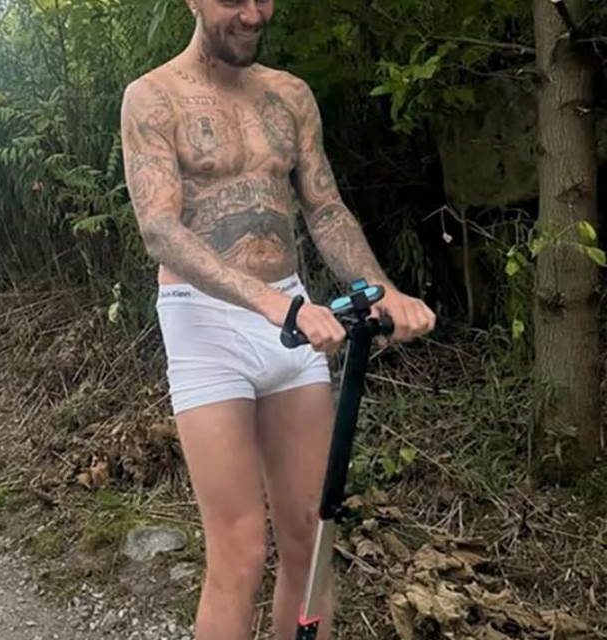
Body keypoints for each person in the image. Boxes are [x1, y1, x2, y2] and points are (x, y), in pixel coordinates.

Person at [119, 1, 436, 638]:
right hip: (206, 325)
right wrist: (268, 304)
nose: (252, 13)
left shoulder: (290, 95)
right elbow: (159, 229)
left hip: (295, 316)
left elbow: (324, 207)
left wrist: (378, 291)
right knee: (239, 554)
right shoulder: (152, 97)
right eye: (233, 0)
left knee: (311, 542)